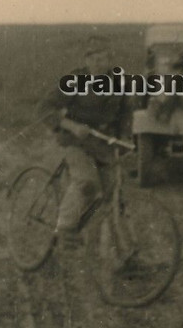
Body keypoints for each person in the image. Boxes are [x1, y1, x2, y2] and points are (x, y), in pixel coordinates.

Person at [40, 35, 128, 240]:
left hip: (102, 143)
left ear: (110, 61)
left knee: (112, 196)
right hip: (74, 140)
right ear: (86, 60)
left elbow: (124, 114)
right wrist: (71, 125)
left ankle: (120, 254)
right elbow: (44, 109)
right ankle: (64, 229)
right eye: (94, 58)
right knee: (86, 181)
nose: (99, 63)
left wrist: (125, 137)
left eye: (104, 58)